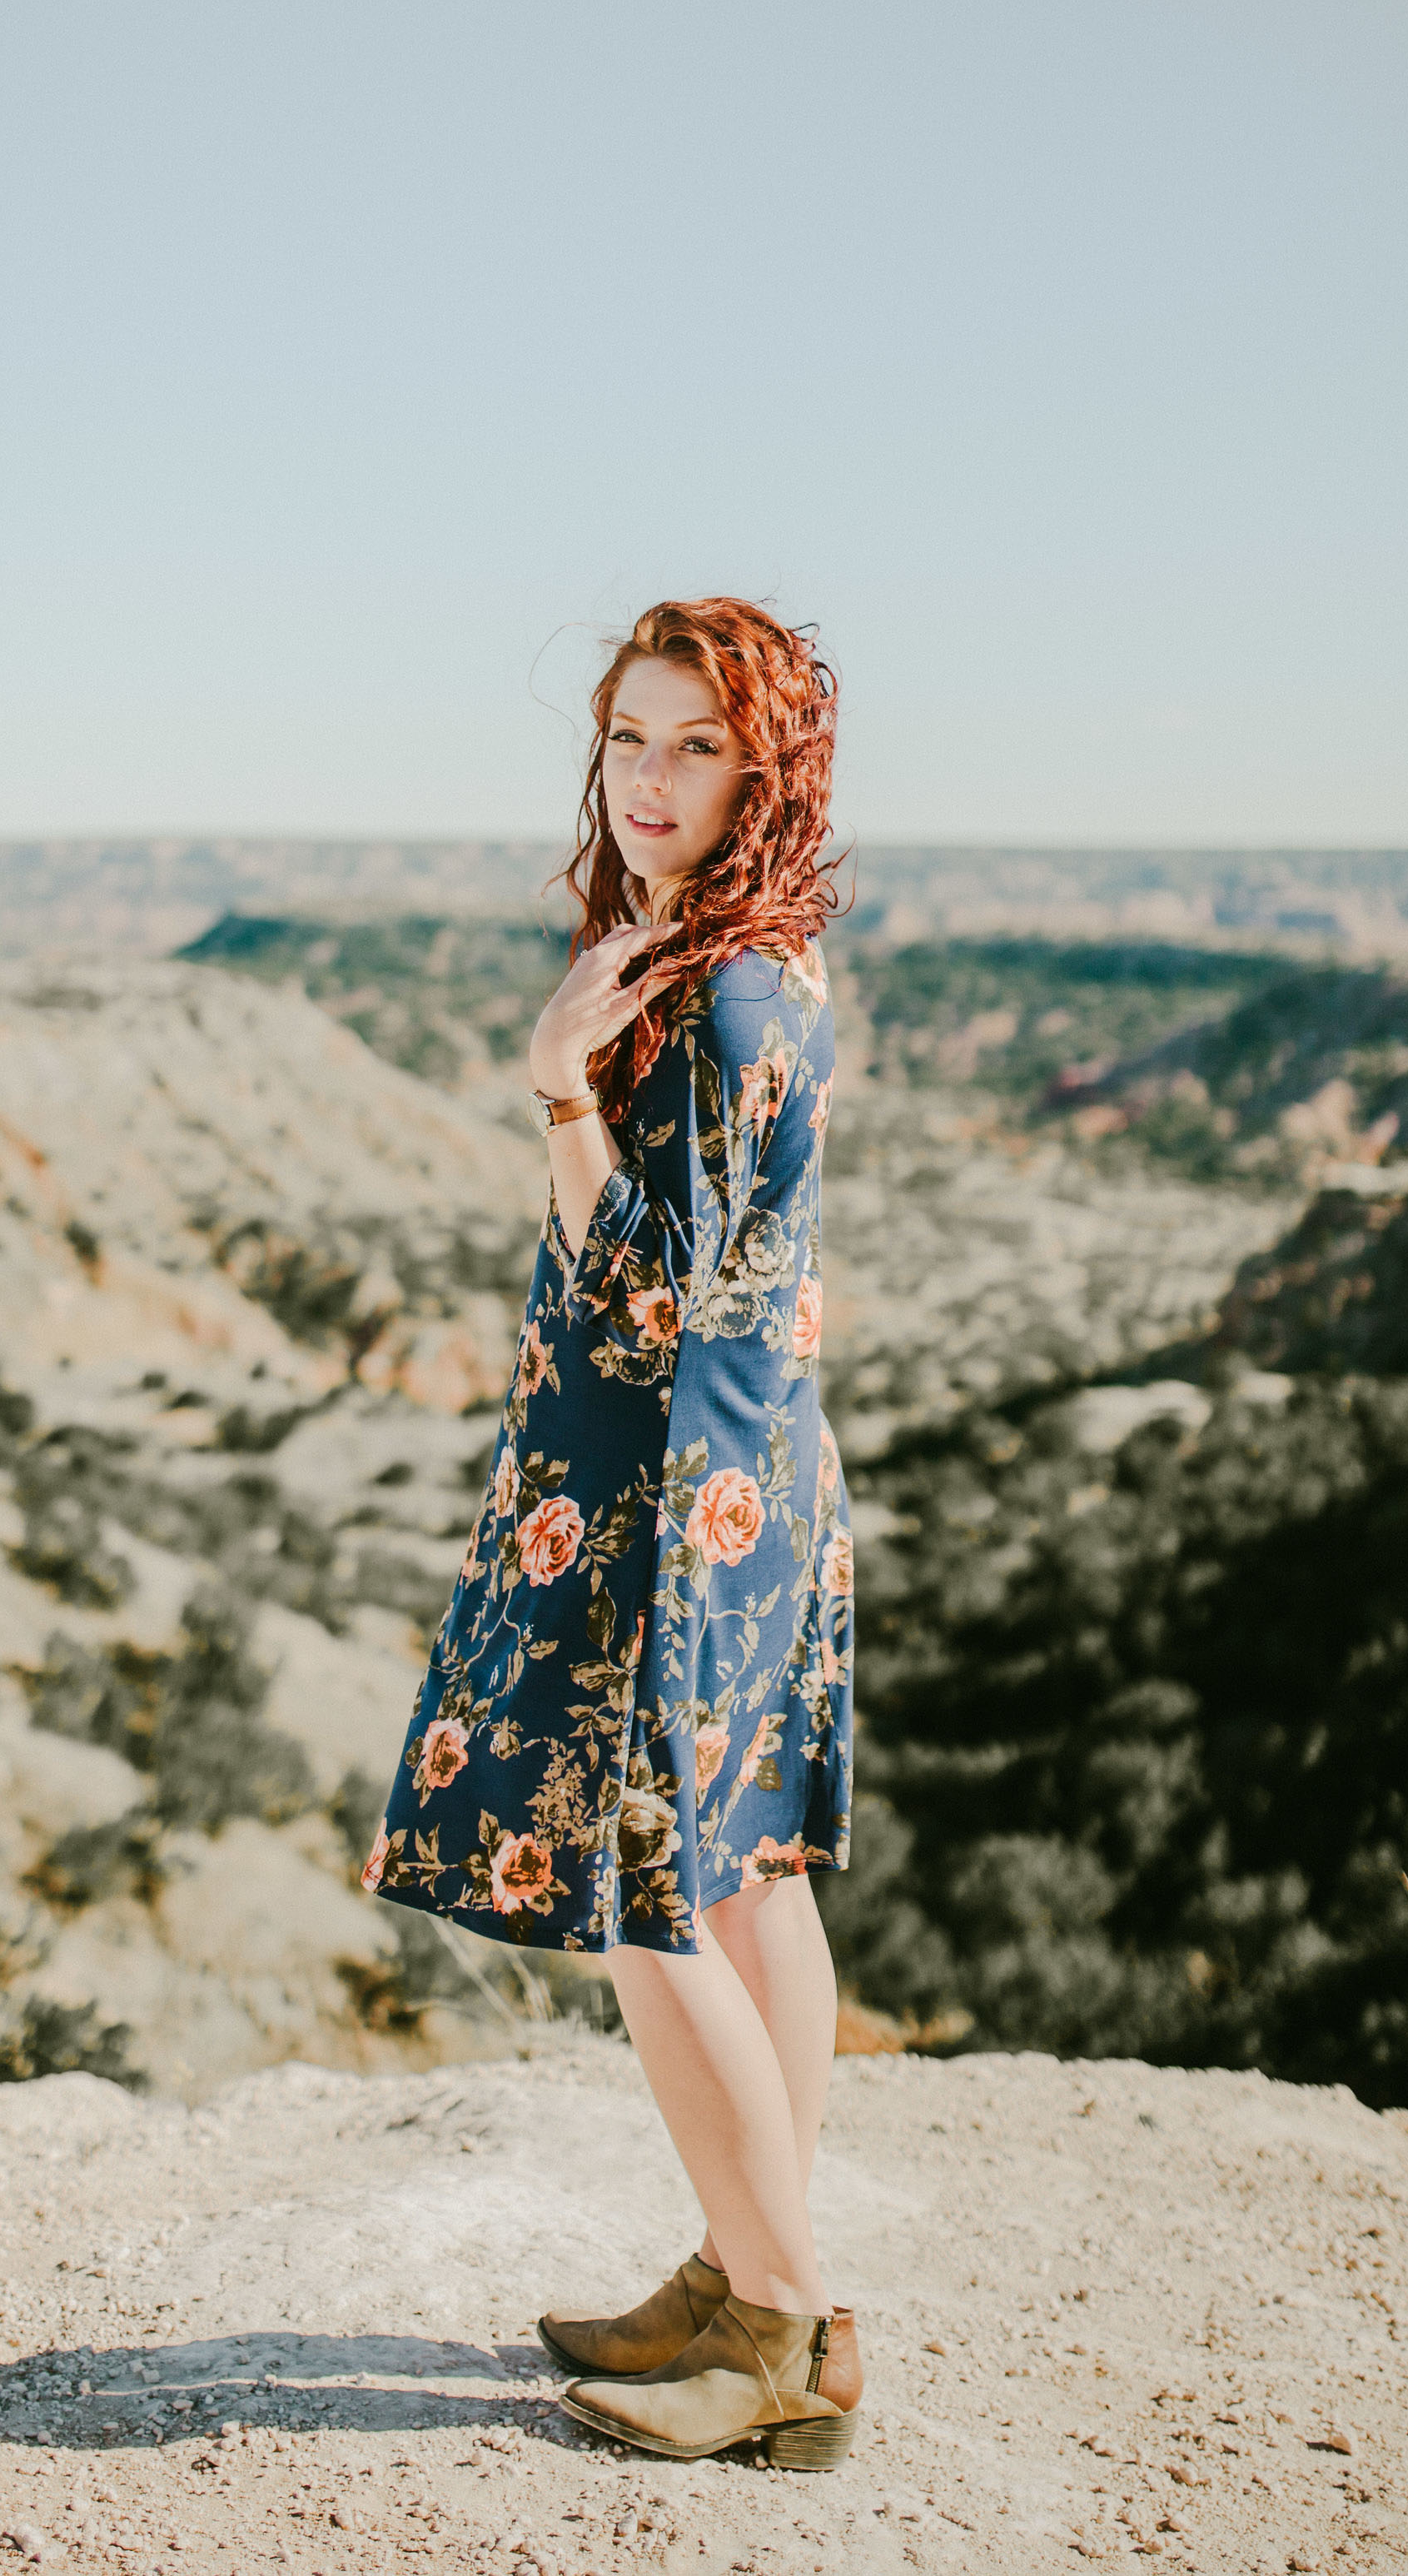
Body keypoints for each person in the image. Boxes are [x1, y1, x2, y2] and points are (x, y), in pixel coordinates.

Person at [362, 595, 861, 2469]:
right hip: (731, 1484)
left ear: (764, 770)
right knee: (742, 1887)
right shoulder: (726, 949)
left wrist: (556, 1089)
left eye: (695, 747)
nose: (646, 780)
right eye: (624, 737)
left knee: (653, 1902)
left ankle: (787, 2325)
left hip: (674, 1502)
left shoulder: (717, 987)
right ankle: (746, 2279)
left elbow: (649, 1296)